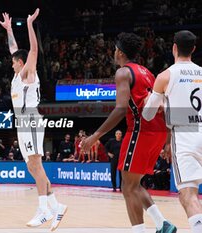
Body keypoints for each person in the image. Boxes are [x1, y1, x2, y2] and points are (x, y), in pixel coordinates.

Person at [81, 32, 176, 233]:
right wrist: (167, 139)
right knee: (134, 183)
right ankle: (162, 224)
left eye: (115, 48)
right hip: (157, 131)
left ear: (120, 52)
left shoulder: (123, 72)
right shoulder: (147, 72)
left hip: (141, 131)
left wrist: (95, 135)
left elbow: (120, 109)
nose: (113, 52)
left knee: (128, 187)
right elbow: (165, 105)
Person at [0, 9, 67, 231]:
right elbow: (13, 49)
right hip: (22, 123)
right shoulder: (18, 74)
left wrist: (29, 25)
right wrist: (9, 29)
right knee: (32, 167)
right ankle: (56, 206)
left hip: (31, 120)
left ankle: (44, 210)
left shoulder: (28, 73)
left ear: (21, 62)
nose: (11, 64)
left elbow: (33, 50)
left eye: (14, 61)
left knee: (36, 165)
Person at [143, 30, 202, 233]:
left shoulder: (165, 75)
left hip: (185, 134)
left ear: (174, 48)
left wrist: (155, 101)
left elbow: (148, 114)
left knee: (188, 193)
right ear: (193, 49)